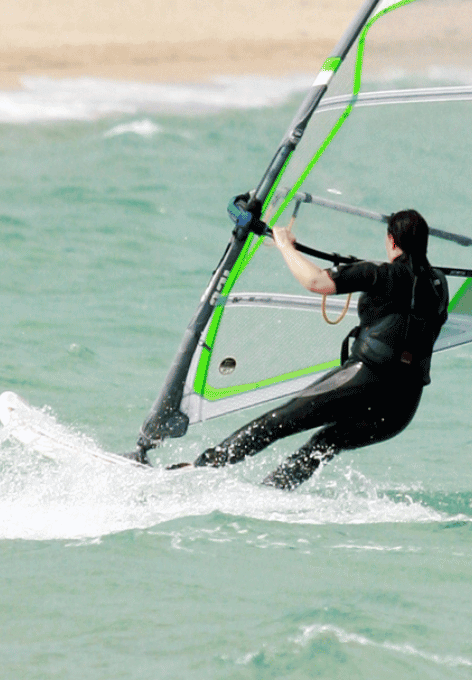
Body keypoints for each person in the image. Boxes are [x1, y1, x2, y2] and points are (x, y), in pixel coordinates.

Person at [189, 209, 450, 488]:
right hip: (403, 405)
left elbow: (315, 281)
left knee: (280, 420)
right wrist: (356, 268)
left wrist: (284, 245)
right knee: (327, 442)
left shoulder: (379, 274)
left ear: (391, 241)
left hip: (366, 378)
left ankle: (203, 468)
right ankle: (273, 491)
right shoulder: (440, 285)